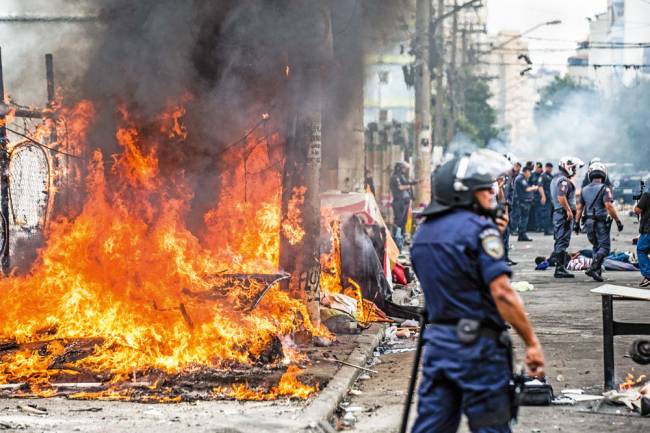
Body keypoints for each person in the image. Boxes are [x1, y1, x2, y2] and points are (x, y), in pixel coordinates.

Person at [410, 149, 545, 433]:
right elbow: (503, 293)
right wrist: (532, 343)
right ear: (464, 193)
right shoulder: (480, 231)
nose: (492, 195)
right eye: (485, 190)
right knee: (490, 427)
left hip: (438, 345)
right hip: (478, 351)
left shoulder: (423, 234)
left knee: (433, 425)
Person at [575, 162, 623, 282]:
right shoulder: (604, 188)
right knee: (605, 247)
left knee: (596, 246)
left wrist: (576, 223)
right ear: (603, 174)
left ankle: (597, 272)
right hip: (600, 222)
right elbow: (609, 206)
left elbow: (579, 208)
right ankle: (593, 268)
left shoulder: (584, 189)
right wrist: (618, 221)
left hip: (588, 223)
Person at [550, 156, 584, 279]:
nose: (575, 171)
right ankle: (559, 268)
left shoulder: (555, 179)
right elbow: (561, 196)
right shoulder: (563, 180)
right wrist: (568, 210)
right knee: (562, 240)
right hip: (563, 214)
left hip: (558, 212)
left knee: (560, 239)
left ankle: (560, 266)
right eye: (574, 168)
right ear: (568, 167)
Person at [390, 162, 417, 250]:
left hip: (404, 201)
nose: (404, 170)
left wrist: (414, 182)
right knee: (398, 221)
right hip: (398, 202)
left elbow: (406, 183)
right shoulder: (395, 177)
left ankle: (401, 239)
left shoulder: (401, 176)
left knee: (403, 221)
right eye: (403, 168)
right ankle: (397, 240)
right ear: (399, 168)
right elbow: (401, 187)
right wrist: (409, 186)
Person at [514, 166, 538, 242]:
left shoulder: (521, 178)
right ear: (525, 171)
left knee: (524, 218)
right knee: (524, 219)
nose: (530, 174)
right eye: (529, 172)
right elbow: (527, 189)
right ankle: (522, 234)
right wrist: (534, 187)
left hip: (524, 201)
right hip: (523, 202)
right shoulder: (521, 178)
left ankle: (521, 234)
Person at [635, 187, 650, 288]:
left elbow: (637, 210)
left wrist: (639, 201)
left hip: (648, 230)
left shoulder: (647, 195)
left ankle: (648, 275)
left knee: (641, 250)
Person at [528, 162, 547, 233]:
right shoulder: (532, 175)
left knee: (543, 212)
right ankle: (537, 227)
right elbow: (528, 185)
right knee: (536, 212)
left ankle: (542, 227)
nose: (538, 169)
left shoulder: (543, 175)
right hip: (535, 196)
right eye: (537, 168)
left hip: (543, 195)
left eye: (539, 168)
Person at [539, 163, 554, 235]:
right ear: (546, 168)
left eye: (551, 168)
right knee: (546, 214)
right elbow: (540, 186)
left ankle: (550, 229)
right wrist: (543, 196)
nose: (550, 169)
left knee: (550, 214)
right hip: (546, 198)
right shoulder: (543, 176)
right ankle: (546, 230)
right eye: (549, 168)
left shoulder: (551, 176)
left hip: (551, 198)